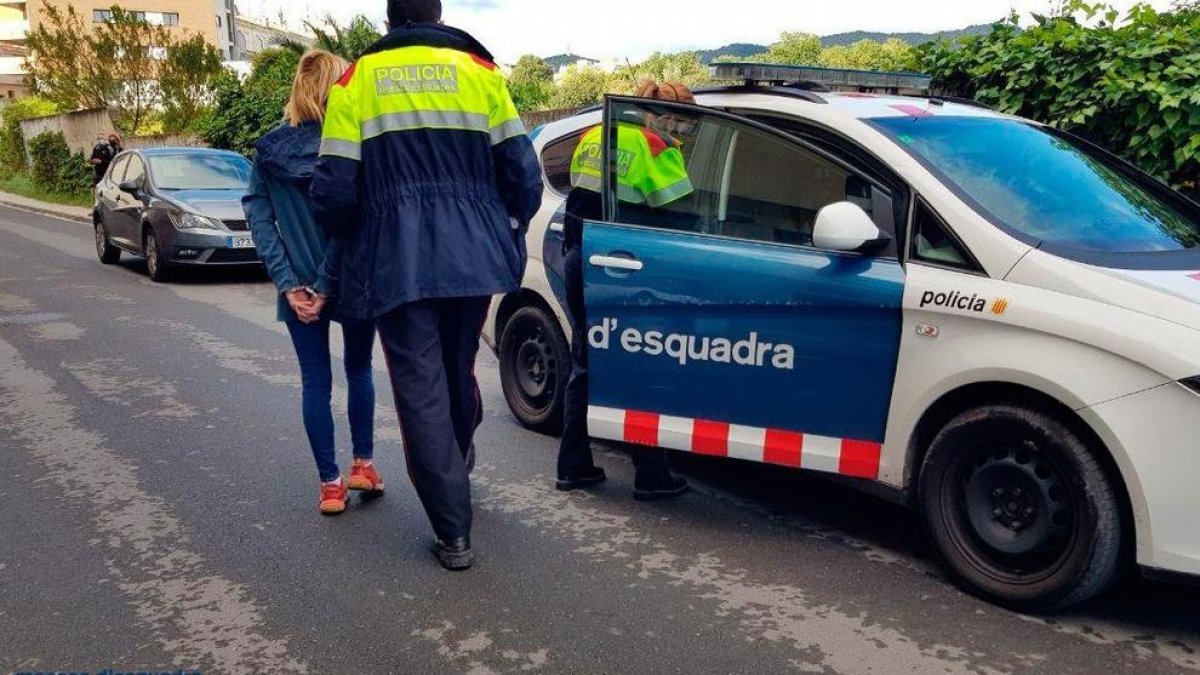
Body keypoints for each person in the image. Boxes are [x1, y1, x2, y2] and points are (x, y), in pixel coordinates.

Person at [310, 0, 542, 570]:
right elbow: (523, 175)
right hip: (474, 256)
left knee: (420, 388)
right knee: (458, 370)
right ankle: (457, 460)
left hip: (397, 260)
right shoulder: (481, 73)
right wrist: (502, 225)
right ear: (437, 15)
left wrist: (355, 230)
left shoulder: (356, 80)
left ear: (390, 20)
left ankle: (453, 531)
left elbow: (334, 192)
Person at [242, 50, 381, 516]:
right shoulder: (352, 148)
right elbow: (352, 223)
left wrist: (290, 284)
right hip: (351, 280)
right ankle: (364, 464)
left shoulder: (267, 152)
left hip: (297, 286)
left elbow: (260, 220)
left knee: (314, 383)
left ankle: (330, 485)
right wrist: (326, 284)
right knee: (359, 369)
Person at [556, 80, 697, 501]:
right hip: (631, 269)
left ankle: (573, 465)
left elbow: (577, 200)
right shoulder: (656, 148)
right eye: (686, 125)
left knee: (586, 362)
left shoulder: (594, 133)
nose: (685, 135)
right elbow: (685, 220)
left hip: (582, 258)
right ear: (668, 116)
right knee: (644, 365)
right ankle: (651, 473)